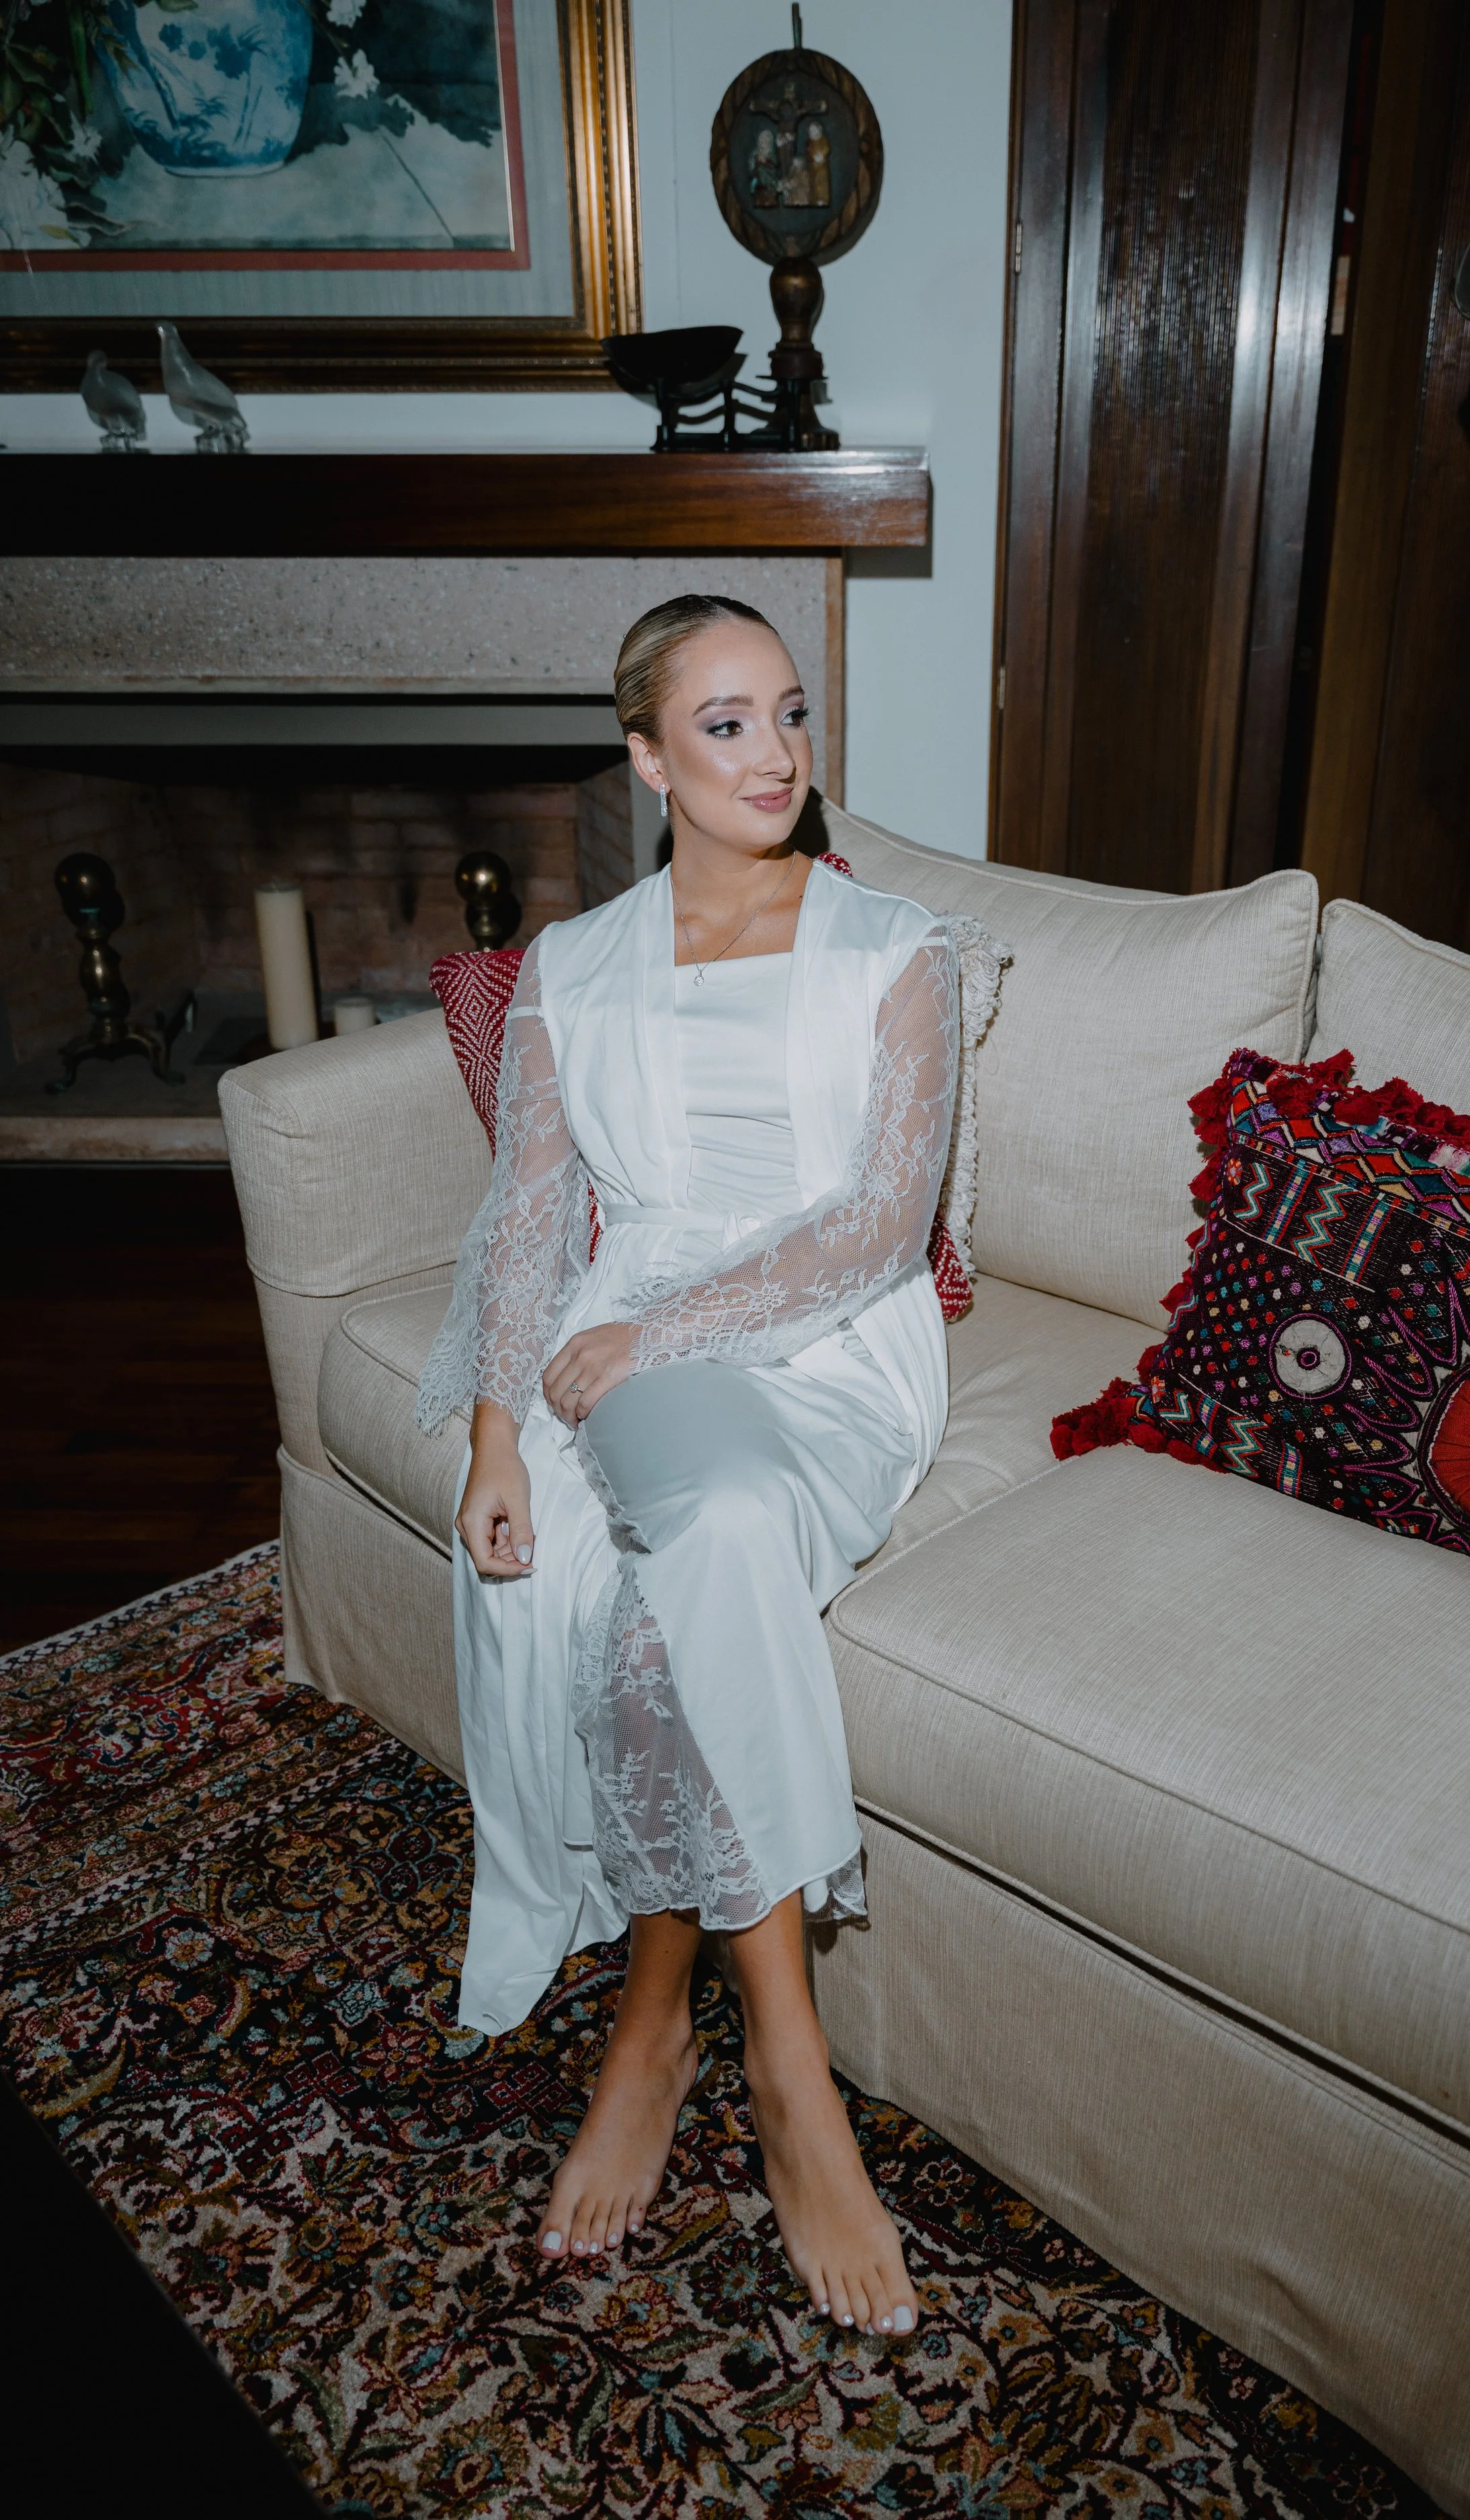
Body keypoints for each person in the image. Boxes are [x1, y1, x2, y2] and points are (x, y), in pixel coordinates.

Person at [418, 594, 963, 2339]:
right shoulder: (574, 969)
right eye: (723, 724)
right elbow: (524, 1227)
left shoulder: (896, 946)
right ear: (645, 756)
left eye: (788, 713)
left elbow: (882, 1231)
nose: (775, 752)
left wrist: (657, 1340)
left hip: (824, 1346)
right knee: (699, 1536)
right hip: (628, 1325)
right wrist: (501, 1434)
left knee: (694, 1559)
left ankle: (685, 2034)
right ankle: (755, 2057)